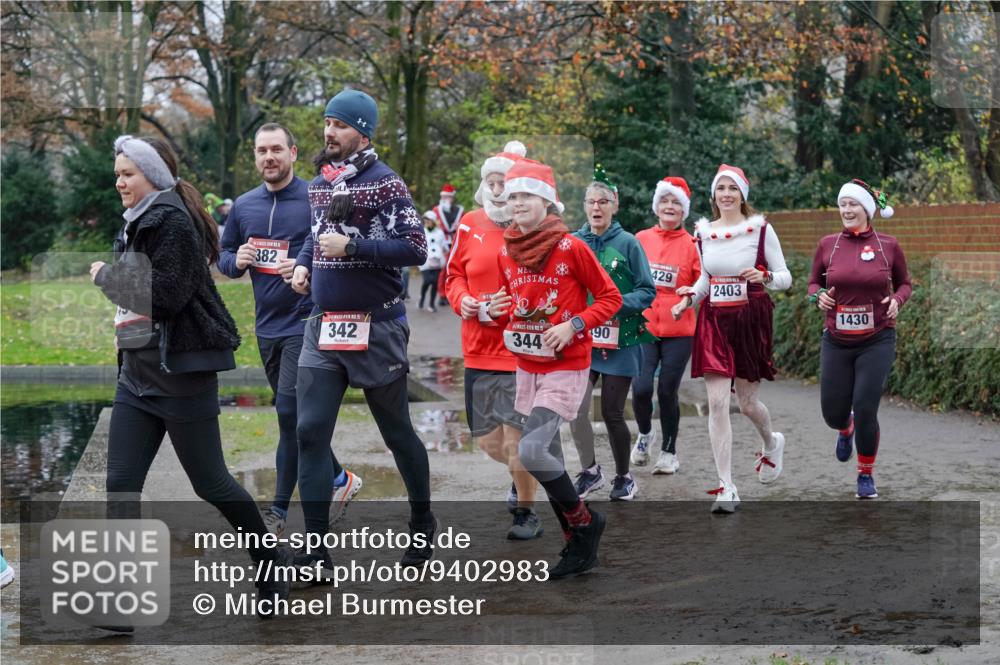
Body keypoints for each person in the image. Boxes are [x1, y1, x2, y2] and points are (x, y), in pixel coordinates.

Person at [91, 135, 290, 617]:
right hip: (137, 376)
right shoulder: (135, 222)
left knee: (213, 484)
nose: (119, 182)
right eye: (117, 174)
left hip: (182, 375)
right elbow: (140, 305)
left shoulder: (171, 221)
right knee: (120, 484)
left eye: (127, 174)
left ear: (153, 176)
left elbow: (168, 295)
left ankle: (270, 561)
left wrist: (105, 277)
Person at [290, 88, 435, 568]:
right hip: (323, 327)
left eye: (341, 125)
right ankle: (315, 550)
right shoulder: (318, 183)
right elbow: (316, 237)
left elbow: (416, 249)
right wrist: (305, 264)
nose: (329, 132)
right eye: (327, 122)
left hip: (377, 328)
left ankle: (422, 523)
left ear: (363, 132)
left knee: (397, 433)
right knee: (308, 433)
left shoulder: (386, 184)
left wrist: (353, 250)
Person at [218, 122, 363, 537]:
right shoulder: (243, 206)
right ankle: (339, 478)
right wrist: (238, 260)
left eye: (277, 149)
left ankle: (278, 510)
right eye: (262, 151)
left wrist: (304, 264)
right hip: (267, 327)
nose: (269, 157)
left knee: (287, 416)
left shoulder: (314, 196)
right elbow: (225, 258)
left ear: (294, 153)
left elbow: (334, 245)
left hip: (307, 320)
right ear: (255, 156)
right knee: (299, 420)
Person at [488, 158, 621, 578]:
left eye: (526, 194)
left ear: (547, 200)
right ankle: (575, 542)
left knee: (530, 451)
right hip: (527, 367)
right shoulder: (505, 250)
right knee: (546, 455)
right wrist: (495, 310)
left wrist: (574, 323)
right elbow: (513, 307)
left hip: (567, 366)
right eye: (512, 196)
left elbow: (610, 298)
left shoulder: (570, 247)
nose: (518, 202)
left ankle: (584, 522)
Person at [672, 164, 792, 513]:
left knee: (747, 403)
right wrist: (686, 300)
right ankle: (726, 485)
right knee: (719, 402)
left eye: (732, 189)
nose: (726, 194)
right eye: (720, 188)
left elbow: (785, 277)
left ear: (742, 195)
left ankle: (771, 442)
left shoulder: (760, 230)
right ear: (713, 195)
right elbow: (705, 282)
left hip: (750, 318)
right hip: (713, 321)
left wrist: (765, 275)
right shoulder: (703, 233)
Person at [445, 140, 544, 539]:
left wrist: (512, 308)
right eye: (491, 181)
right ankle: (520, 479)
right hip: (477, 350)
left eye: (504, 182)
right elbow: (453, 277)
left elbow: (548, 286)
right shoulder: (469, 222)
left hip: (520, 351)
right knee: (489, 442)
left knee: (517, 441)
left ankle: (526, 512)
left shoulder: (534, 229)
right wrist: (467, 302)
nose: (497, 189)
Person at [808, 180, 910, 499]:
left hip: (877, 338)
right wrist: (819, 296)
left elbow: (905, 284)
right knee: (832, 413)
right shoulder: (828, 245)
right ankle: (844, 427)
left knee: (866, 406)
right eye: (843, 205)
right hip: (836, 340)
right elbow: (813, 283)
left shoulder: (888, 245)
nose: (847, 210)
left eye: (853, 205)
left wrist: (898, 301)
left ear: (867, 209)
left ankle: (865, 474)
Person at [569, 167, 655, 501]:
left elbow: (648, 291)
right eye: (591, 201)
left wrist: (612, 306)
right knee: (575, 409)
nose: (596, 207)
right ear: (585, 206)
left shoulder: (629, 243)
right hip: (582, 338)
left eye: (603, 201)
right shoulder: (574, 243)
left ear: (614, 205)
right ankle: (590, 471)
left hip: (621, 339)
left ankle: (624, 477)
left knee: (611, 412)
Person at [631, 176, 701, 475]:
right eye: (665, 201)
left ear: (684, 210)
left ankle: (669, 452)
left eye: (676, 202)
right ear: (656, 206)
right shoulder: (640, 238)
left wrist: (687, 299)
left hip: (679, 328)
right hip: (645, 326)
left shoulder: (694, 243)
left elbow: (702, 282)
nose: (669, 206)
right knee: (641, 387)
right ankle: (646, 433)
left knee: (668, 390)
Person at [434, 183, 464, 306]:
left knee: (455, 268)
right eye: (444, 197)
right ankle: (441, 294)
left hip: (456, 241)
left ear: (452, 197)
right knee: (443, 269)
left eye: (449, 197)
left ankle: (451, 293)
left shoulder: (459, 210)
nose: (447, 199)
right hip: (442, 242)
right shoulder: (436, 210)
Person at [419, 210, 447, 312]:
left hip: (437, 262)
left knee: (435, 282)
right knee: (427, 281)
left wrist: (447, 246)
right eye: (426, 220)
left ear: (433, 221)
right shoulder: (421, 231)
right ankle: (422, 298)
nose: (427, 222)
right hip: (425, 262)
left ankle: (431, 304)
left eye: (429, 220)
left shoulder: (440, 233)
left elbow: (444, 245)